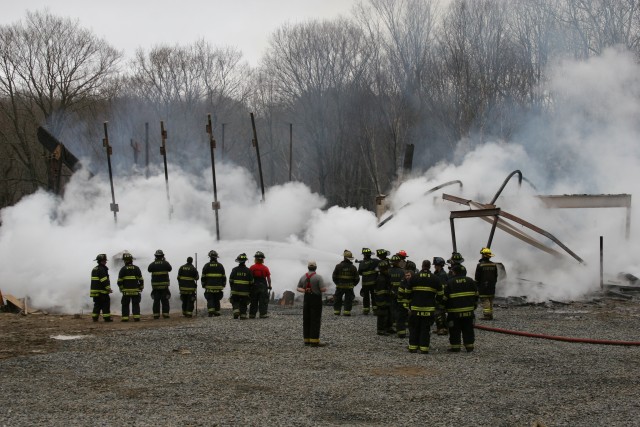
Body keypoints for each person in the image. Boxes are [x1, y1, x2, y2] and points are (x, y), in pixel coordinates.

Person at [404, 260, 443, 354]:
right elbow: (441, 294)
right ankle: (424, 348)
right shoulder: (435, 278)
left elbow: (407, 292)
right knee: (425, 328)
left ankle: (413, 347)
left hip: (415, 308)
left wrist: (410, 303)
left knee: (414, 328)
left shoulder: (414, 277)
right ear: (429, 267)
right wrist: (436, 303)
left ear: (422, 266)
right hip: (429, 309)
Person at [443, 263, 479, 352]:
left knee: (455, 329)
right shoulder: (471, 281)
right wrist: (473, 305)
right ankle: (469, 346)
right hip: (469, 312)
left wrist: (443, 306)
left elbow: (445, 298)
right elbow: (476, 295)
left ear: (454, 272)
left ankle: (455, 347)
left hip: (454, 313)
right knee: (468, 329)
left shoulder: (450, 283)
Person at [296, 260, 328, 347]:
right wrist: (325, 288)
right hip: (316, 299)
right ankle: (314, 341)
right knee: (315, 319)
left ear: (308, 267)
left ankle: (306, 340)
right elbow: (322, 289)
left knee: (306, 319)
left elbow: (298, 288)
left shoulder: (303, 277)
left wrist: (305, 290)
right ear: (316, 267)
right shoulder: (318, 277)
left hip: (306, 299)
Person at [332, 250, 360, 316]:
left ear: (344, 257)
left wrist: (337, 283)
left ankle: (337, 312)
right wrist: (353, 285)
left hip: (339, 286)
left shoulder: (338, 266)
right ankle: (347, 312)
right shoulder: (353, 267)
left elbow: (334, 277)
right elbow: (357, 278)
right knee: (348, 300)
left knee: (338, 299)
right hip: (349, 287)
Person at [117, 252, 144, 322]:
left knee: (125, 304)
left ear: (125, 261)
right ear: (131, 260)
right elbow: (141, 280)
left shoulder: (122, 269)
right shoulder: (137, 268)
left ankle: (125, 318)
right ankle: (136, 317)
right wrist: (141, 287)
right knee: (135, 304)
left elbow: (119, 281)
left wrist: (122, 289)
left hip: (126, 292)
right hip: (135, 291)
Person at [475, 247, 499, 320]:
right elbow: (496, 275)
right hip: (492, 285)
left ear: (483, 255)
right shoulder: (494, 265)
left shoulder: (480, 265)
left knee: (485, 300)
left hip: (483, 286)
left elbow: (477, 277)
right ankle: (490, 314)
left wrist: (476, 285)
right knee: (490, 299)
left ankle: (487, 315)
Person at [147, 249, 173, 319]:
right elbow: (170, 269)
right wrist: (164, 261)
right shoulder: (166, 263)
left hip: (155, 287)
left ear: (155, 256)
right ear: (162, 256)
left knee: (156, 301)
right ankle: (166, 314)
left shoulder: (152, 264)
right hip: (164, 287)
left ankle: (156, 315)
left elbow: (149, 269)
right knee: (165, 300)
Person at [201, 250, 226, 317]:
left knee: (210, 299)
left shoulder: (206, 265)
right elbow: (223, 276)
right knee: (217, 299)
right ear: (216, 257)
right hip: (218, 286)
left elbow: (203, 276)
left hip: (209, 286)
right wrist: (223, 284)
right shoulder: (220, 266)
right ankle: (217, 312)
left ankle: (211, 311)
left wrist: (203, 284)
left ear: (210, 257)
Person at [395, 260, 416, 339]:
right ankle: (401, 333)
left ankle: (412, 333)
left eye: (408, 275)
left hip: (410, 304)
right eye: (406, 275)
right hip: (403, 303)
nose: (407, 276)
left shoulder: (408, 281)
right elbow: (400, 292)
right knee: (401, 319)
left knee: (410, 319)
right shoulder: (404, 281)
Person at [229, 253, 254, 319]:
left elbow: (231, 280)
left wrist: (232, 288)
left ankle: (236, 311)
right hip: (245, 292)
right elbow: (251, 282)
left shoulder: (234, 269)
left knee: (235, 301)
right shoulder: (248, 271)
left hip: (235, 290)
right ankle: (243, 315)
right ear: (245, 261)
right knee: (244, 303)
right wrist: (250, 289)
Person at [90, 254, 113, 322]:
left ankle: (95, 317)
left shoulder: (94, 269)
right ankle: (107, 318)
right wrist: (108, 288)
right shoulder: (102, 269)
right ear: (102, 261)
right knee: (105, 304)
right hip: (102, 291)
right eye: (105, 260)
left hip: (95, 292)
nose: (106, 262)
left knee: (97, 304)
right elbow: (104, 280)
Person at [374, 260, 394, 335]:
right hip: (382, 300)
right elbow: (380, 292)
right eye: (386, 269)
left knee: (389, 313)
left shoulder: (387, 276)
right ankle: (381, 330)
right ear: (382, 270)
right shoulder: (381, 279)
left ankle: (388, 328)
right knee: (382, 314)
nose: (387, 270)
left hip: (387, 298)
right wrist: (381, 303)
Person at [249, 251, 272, 319]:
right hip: (263, 286)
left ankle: (252, 314)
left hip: (254, 286)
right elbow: (268, 278)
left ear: (255, 259)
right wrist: (270, 286)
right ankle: (263, 314)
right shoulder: (265, 268)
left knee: (253, 300)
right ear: (262, 259)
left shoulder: (252, 267)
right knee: (263, 301)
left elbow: (249, 277)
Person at [388, 255, 405, 336]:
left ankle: (393, 323)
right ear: (398, 262)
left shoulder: (388, 271)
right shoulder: (402, 272)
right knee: (400, 310)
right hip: (400, 294)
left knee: (392, 309)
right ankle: (400, 326)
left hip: (391, 293)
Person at [357, 247, 378, 315]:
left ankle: (366, 310)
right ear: (370, 254)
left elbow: (359, 273)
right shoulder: (375, 261)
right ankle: (375, 310)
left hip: (365, 283)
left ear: (364, 255)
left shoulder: (361, 263)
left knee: (366, 297)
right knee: (374, 296)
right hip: (374, 283)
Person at [432, 256, 449, 335]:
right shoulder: (437, 273)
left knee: (439, 312)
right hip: (437, 295)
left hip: (440, 296)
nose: (434, 266)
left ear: (438, 265)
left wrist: (440, 298)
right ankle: (440, 328)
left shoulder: (442, 275)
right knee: (438, 312)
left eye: (435, 265)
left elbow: (442, 288)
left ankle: (443, 329)